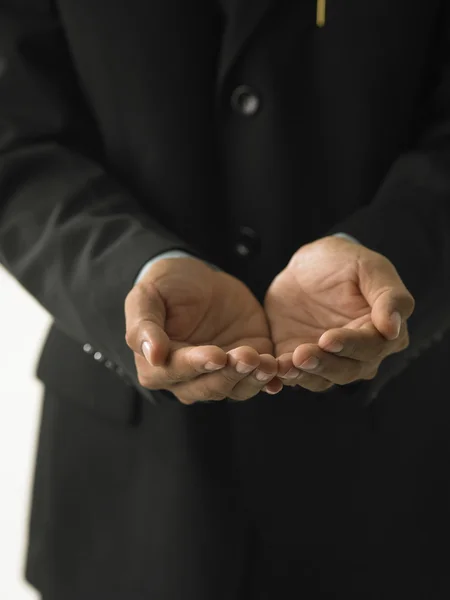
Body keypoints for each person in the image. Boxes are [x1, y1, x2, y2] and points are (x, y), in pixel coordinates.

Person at [0, 0, 449, 598]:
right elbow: (16, 140)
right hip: (128, 498)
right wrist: (132, 273)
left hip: (395, 475)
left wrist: (393, 250)